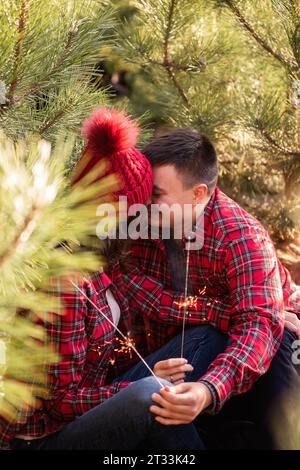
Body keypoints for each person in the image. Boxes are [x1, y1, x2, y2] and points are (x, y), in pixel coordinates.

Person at [2, 108, 214, 451]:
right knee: (152, 393)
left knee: (202, 340)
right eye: (144, 205)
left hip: (90, 403)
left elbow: (149, 301)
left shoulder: (100, 264)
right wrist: (139, 385)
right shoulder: (66, 282)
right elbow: (60, 402)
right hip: (45, 436)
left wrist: (222, 312)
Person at [108, 127, 300, 448]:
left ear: (197, 194)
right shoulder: (140, 217)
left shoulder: (240, 236)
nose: (145, 200)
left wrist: (208, 390)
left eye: (156, 193)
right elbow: (128, 285)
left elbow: (258, 326)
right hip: (181, 352)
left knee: (279, 340)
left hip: (264, 350)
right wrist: (217, 311)